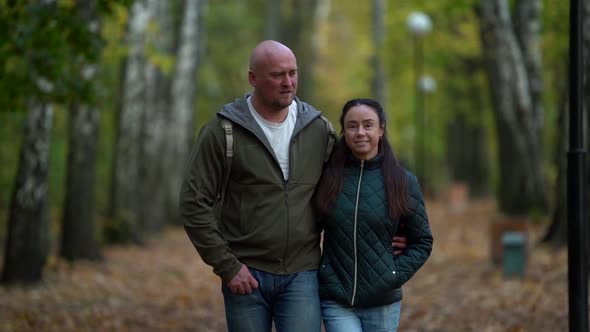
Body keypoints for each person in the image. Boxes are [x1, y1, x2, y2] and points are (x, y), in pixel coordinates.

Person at [180, 40, 406, 332]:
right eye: (277, 75)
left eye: (293, 73)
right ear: (253, 78)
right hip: (245, 274)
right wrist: (227, 266)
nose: (288, 82)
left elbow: (353, 184)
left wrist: (392, 231)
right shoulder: (224, 132)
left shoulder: (316, 127)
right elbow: (193, 203)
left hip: (304, 273)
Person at [314, 98, 433, 332]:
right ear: (344, 132)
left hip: (383, 302)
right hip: (336, 297)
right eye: (352, 126)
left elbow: (422, 241)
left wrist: (392, 274)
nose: (360, 132)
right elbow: (308, 229)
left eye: (368, 125)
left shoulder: (402, 181)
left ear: (381, 130)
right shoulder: (327, 177)